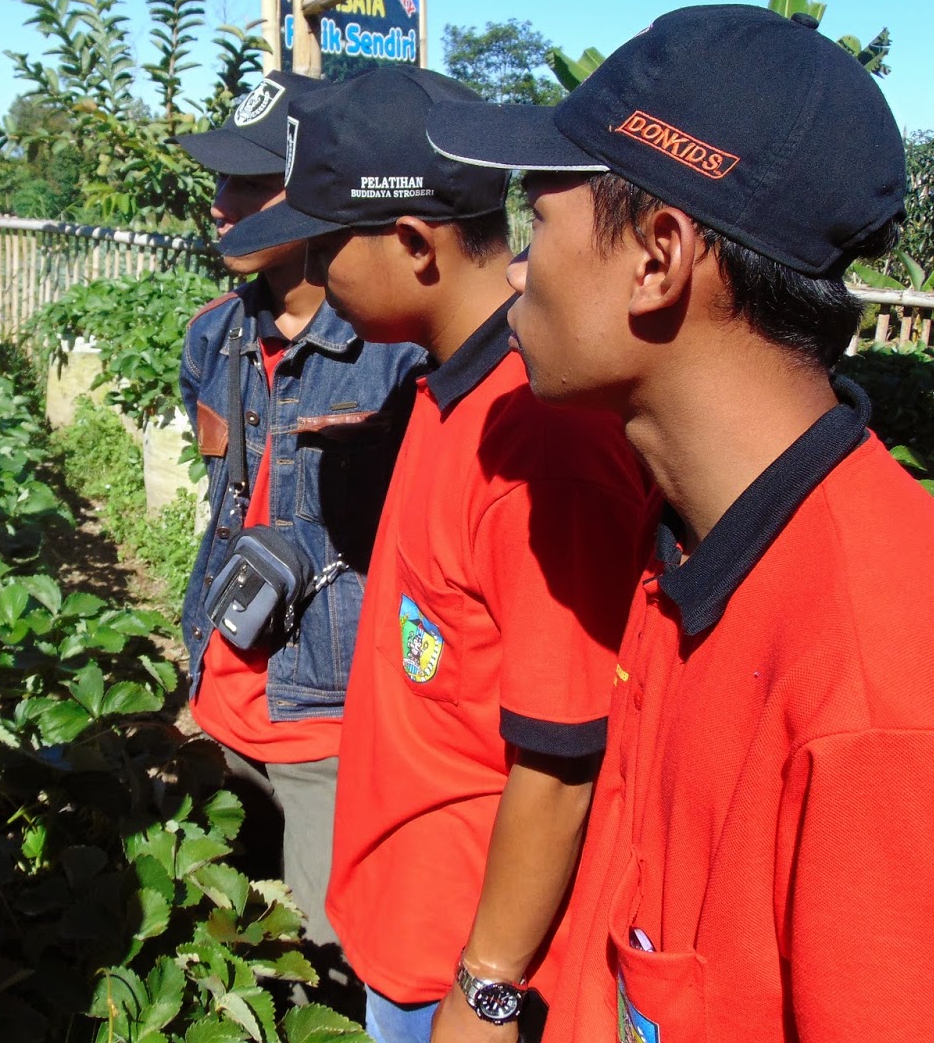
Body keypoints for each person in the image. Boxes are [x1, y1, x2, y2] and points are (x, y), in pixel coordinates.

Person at [428, 3, 934, 1042]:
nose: (512, 273)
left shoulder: (885, 697)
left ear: (657, 258)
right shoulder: (688, 539)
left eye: (537, 221)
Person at [220, 67, 649, 1043]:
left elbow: (561, 755)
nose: (314, 272)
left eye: (326, 244)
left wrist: (487, 987)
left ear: (413, 246)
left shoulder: (541, 443)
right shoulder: (443, 388)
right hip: (408, 927)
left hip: (463, 964)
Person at [175, 71, 426, 993]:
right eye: (222, 180)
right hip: (220, 697)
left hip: (327, 718)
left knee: (319, 964)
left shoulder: (403, 356)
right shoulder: (213, 338)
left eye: (248, 185)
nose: (219, 203)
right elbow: (224, 505)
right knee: (223, 956)